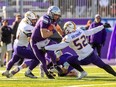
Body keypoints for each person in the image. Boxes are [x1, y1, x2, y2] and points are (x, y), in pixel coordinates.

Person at [44, 21, 116, 79]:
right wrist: (102, 26)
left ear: (67, 29)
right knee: (104, 66)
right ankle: (115, 74)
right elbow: (92, 31)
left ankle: (82, 72)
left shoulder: (68, 37)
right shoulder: (80, 31)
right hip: (92, 54)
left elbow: (59, 46)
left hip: (84, 59)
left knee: (69, 59)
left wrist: (46, 48)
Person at [2, 11, 40, 78]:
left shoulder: (23, 22)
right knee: (38, 57)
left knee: (13, 60)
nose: (34, 21)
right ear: (28, 19)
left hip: (17, 45)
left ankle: (7, 71)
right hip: (21, 48)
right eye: (33, 20)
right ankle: (28, 72)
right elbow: (30, 37)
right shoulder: (26, 26)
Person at [30, 6, 64, 79]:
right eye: (55, 15)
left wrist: (63, 36)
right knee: (43, 61)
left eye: (58, 15)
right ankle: (47, 73)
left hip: (44, 40)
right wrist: (53, 31)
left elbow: (57, 28)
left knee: (53, 49)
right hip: (36, 42)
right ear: (50, 13)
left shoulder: (52, 20)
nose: (57, 17)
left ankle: (55, 65)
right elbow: (44, 35)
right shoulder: (44, 19)